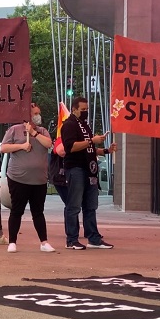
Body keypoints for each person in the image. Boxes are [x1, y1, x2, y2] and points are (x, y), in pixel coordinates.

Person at [61, 97, 116, 250]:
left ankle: (93, 238)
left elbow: (89, 148)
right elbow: (71, 147)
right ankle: (71, 240)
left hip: (90, 170)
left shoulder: (85, 125)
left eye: (87, 109)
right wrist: (92, 140)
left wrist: (106, 150)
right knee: (74, 205)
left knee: (90, 206)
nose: (85, 112)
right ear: (74, 109)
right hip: (76, 169)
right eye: (83, 110)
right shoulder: (69, 125)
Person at [1, 103, 55, 253]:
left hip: (39, 180)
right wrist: (21, 146)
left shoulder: (42, 131)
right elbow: (4, 147)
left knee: (38, 212)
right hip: (18, 179)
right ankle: (12, 242)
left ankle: (44, 242)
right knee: (17, 210)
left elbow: (49, 144)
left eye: (39, 113)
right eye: (35, 113)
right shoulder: (14, 130)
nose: (38, 116)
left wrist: (34, 133)